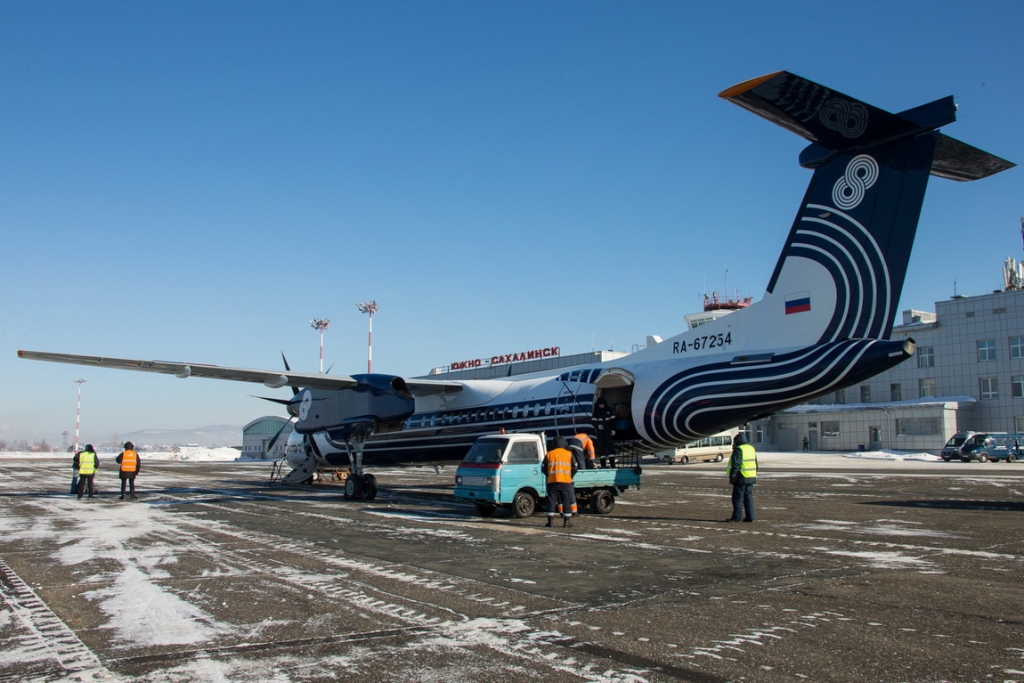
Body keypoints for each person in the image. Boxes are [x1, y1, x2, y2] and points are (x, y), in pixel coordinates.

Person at [542, 436, 578, 528]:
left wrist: (549, 475)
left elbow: (543, 468)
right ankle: (566, 522)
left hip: (552, 482)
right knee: (566, 501)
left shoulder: (549, 454)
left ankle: (550, 522)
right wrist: (569, 476)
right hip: (566, 482)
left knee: (551, 501)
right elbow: (575, 468)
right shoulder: (569, 454)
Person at [726, 433, 757, 522]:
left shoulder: (739, 449)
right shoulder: (751, 448)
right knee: (748, 497)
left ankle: (737, 518)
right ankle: (750, 517)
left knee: (737, 498)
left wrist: (732, 477)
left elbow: (736, 465)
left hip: (741, 477)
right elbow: (756, 463)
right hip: (751, 476)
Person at [591, 397, 616, 468]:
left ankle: (613, 464)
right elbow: (593, 421)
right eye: (600, 404)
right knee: (601, 449)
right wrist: (598, 425)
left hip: (608, 432)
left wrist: (613, 430)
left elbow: (613, 421)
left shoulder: (609, 410)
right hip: (600, 433)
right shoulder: (596, 412)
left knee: (610, 448)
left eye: (602, 404)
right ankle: (603, 465)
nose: (601, 406)